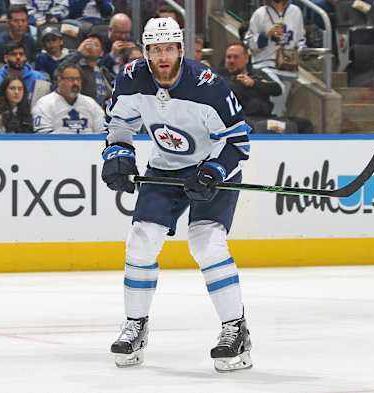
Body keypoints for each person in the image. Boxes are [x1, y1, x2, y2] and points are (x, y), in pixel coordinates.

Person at [102, 17, 253, 372]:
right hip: (164, 169)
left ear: (181, 50)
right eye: (156, 49)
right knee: (140, 240)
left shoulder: (209, 86)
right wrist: (118, 153)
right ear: (146, 51)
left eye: (169, 48)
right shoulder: (131, 77)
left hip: (211, 169)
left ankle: (236, 330)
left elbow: (238, 141)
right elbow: (119, 124)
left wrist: (214, 171)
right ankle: (135, 325)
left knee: (206, 242)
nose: (163, 56)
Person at [219, 41, 313, 133]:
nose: (231, 61)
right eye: (228, 57)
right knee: (260, 126)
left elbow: (277, 89)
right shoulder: (220, 79)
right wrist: (236, 82)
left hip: (266, 117)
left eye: (236, 57)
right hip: (243, 120)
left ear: (246, 58)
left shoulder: (259, 74)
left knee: (303, 124)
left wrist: (254, 83)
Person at [245, 0, 306, 116]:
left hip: (288, 68)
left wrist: (296, 52)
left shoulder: (296, 12)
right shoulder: (260, 13)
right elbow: (248, 43)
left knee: (277, 110)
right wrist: (267, 35)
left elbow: (301, 39)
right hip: (264, 66)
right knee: (278, 92)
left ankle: (273, 128)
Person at [32, 62, 105, 133]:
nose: (76, 83)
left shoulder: (91, 103)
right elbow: (43, 136)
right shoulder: (44, 104)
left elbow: (103, 131)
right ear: (59, 80)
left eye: (78, 79)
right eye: (71, 79)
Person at [61, 33, 114, 107]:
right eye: (88, 44)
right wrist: (78, 53)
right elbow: (59, 72)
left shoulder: (103, 71)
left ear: (101, 53)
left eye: (96, 45)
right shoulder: (76, 69)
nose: (90, 47)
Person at [0, 42, 51, 107]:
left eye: (21, 54)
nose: (18, 57)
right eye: (13, 54)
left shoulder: (38, 77)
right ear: (6, 58)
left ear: (25, 57)